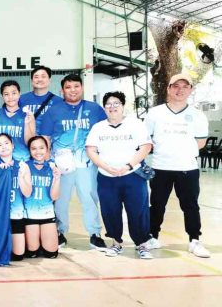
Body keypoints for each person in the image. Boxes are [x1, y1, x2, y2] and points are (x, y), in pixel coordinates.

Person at [144, 73, 211, 258]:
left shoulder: (197, 115)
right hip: (160, 167)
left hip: (187, 168)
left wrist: (182, 151)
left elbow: (201, 141)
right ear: (168, 89)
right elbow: (146, 139)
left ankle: (194, 240)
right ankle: (152, 236)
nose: (180, 90)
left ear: (190, 90)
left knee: (190, 205)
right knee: (157, 204)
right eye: (175, 86)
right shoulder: (155, 113)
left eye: (184, 86)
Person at [38, 74, 107, 250]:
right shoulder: (53, 111)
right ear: (62, 90)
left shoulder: (95, 109)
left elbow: (104, 135)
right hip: (62, 163)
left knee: (89, 197)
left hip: (86, 162)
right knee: (60, 199)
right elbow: (45, 138)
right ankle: (60, 232)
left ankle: (94, 233)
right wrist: (49, 161)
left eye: (76, 86)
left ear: (82, 88)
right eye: (68, 87)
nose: (73, 90)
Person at [86, 91, 153, 259]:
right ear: (104, 107)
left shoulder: (135, 124)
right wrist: (106, 167)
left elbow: (146, 147)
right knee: (110, 210)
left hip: (133, 175)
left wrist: (128, 165)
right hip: (106, 177)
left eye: (116, 103)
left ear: (123, 106)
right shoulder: (98, 127)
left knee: (138, 210)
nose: (112, 107)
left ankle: (142, 244)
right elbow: (91, 150)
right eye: (108, 104)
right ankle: (116, 243)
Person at [0, 134, 31, 261]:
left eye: (6, 143)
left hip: (16, 214)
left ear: (12, 145)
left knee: (18, 255)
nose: (3, 147)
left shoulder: (22, 166)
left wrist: (21, 177)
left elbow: (27, 193)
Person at [24, 136, 61, 258]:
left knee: (51, 254)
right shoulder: (25, 166)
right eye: (33, 148)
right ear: (29, 150)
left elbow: (54, 196)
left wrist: (57, 178)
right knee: (32, 253)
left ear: (47, 149)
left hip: (47, 214)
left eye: (41, 148)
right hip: (30, 215)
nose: (38, 151)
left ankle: (43, 241)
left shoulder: (52, 167)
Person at [0, 80, 35, 161]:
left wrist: (26, 123)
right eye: (6, 94)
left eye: (14, 93)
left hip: (21, 160)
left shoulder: (28, 115)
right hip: (0, 162)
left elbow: (30, 143)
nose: (10, 97)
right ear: (2, 96)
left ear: (19, 94)